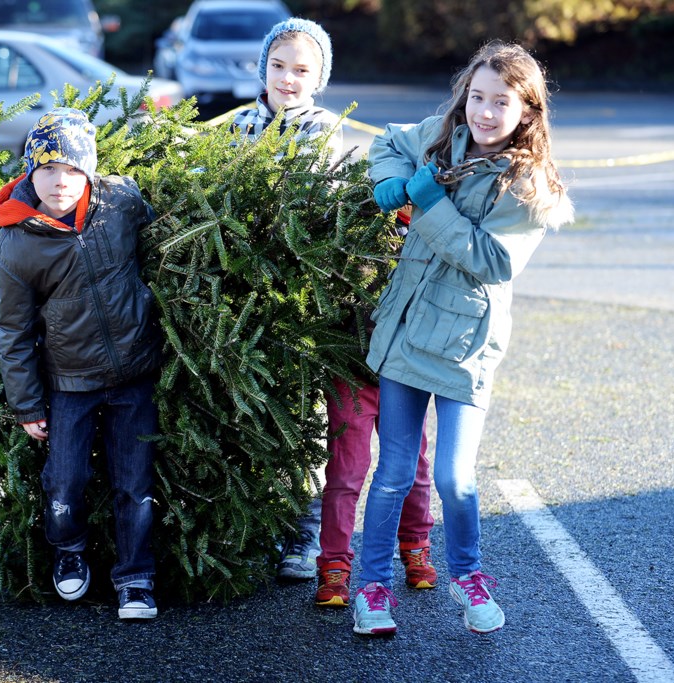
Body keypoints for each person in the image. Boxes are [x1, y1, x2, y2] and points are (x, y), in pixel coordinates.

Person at [353, 41, 573, 636]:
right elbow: (387, 142)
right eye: (477, 97)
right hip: (404, 333)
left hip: (466, 348)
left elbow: (491, 260)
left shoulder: (529, 188)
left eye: (501, 102)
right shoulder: (442, 135)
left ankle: (468, 576)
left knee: (454, 476)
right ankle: (371, 589)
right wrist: (395, 182)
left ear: (527, 111)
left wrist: (425, 204)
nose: (484, 112)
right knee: (394, 470)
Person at [230, 17, 437, 604]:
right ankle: (259, 526)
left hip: (308, 306)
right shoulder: (243, 126)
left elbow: (335, 217)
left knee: (311, 430)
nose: (287, 80)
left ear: (319, 79)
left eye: (301, 71)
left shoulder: (329, 131)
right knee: (265, 424)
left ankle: (306, 538)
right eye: (278, 67)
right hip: (250, 301)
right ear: (262, 69)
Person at [0, 107, 162, 619]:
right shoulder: (17, 242)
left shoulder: (119, 202)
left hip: (134, 374)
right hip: (69, 383)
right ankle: (69, 554)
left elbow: (163, 243)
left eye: (70, 169)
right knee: (65, 481)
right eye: (46, 169)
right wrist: (26, 404)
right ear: (29, 172)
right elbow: (13, 330)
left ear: (88, 169)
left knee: (135, 483)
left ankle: (136, 580)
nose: (59, 181)